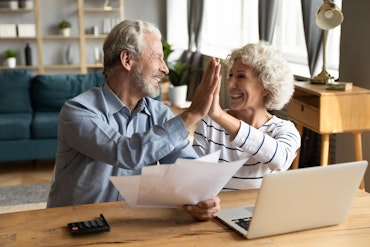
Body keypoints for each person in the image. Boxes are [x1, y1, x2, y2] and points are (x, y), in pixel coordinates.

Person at [46, 19, 221, 221]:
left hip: (129, 223)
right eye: (158, 58)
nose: (165, 69)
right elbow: (125, 153)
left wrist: (202, 196)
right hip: (74, 226)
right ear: (127, 60)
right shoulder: (78, 111)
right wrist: (192, 114)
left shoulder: (159, 114)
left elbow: (185, 168)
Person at [193, 41, 301, 190]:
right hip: (216, 210)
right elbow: (194, 178)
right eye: (230, 75)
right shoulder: (209, 124)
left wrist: (219, 115)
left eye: (241, 76)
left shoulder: (284, 130)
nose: (230, 84)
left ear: (266, 87)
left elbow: (280, 160)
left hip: (260, 211)